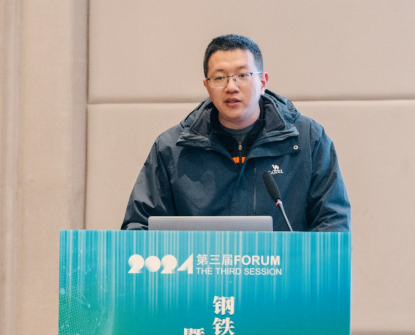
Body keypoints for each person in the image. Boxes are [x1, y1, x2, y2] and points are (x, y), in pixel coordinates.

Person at [121, 34, 350, 231]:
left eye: (243, 75)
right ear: (207, 86)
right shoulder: (172, 149)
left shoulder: (308, 140)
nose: (231, 87)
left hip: (285, 270)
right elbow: (139, 227)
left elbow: (332, 223)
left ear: (262, 81)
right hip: (201, 270)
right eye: (219, 77)